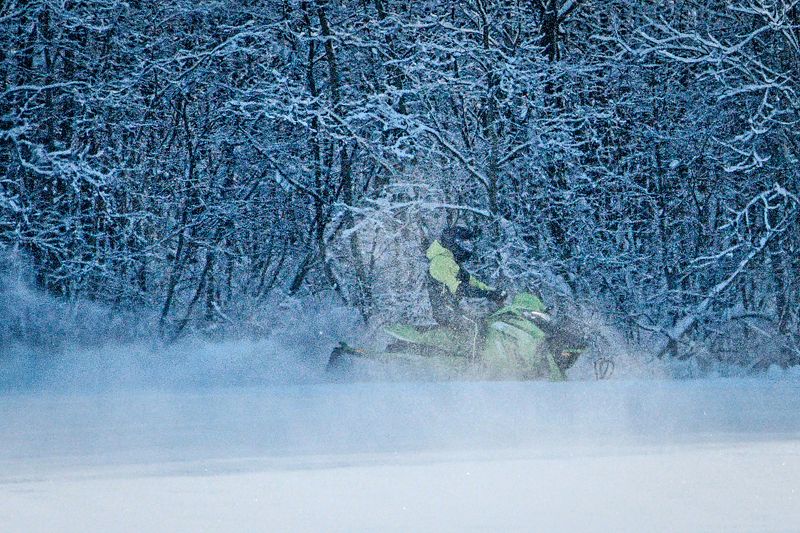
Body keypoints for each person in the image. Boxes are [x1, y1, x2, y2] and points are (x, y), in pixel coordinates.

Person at [425, 225, 505, 358]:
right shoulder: (439, 262)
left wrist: (494, 291)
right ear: (454, 243)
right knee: (474, 326)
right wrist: (486, 294)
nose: (468, 248)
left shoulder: (451, 262)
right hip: (445, 310)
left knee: (485, 322)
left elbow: (472, 282)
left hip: (452, 308)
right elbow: (458, 288)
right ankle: (474, 366)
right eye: (464, 243)